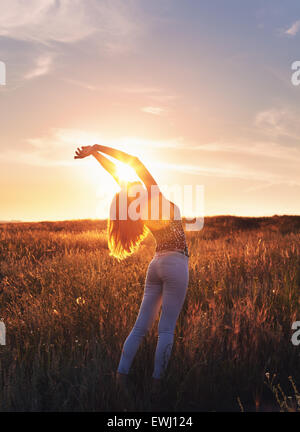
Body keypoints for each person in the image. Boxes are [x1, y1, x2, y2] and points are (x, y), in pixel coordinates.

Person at [74, 144, 189, 398]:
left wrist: (95, 155)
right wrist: (97, 148)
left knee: (140, 328)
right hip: (176, 263)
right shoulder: (155, 195)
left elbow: (118, 175)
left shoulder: (137, 205)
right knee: (166, 330)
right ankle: (157, 385)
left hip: (156, 265)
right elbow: (133, 160)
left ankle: (121, 378)